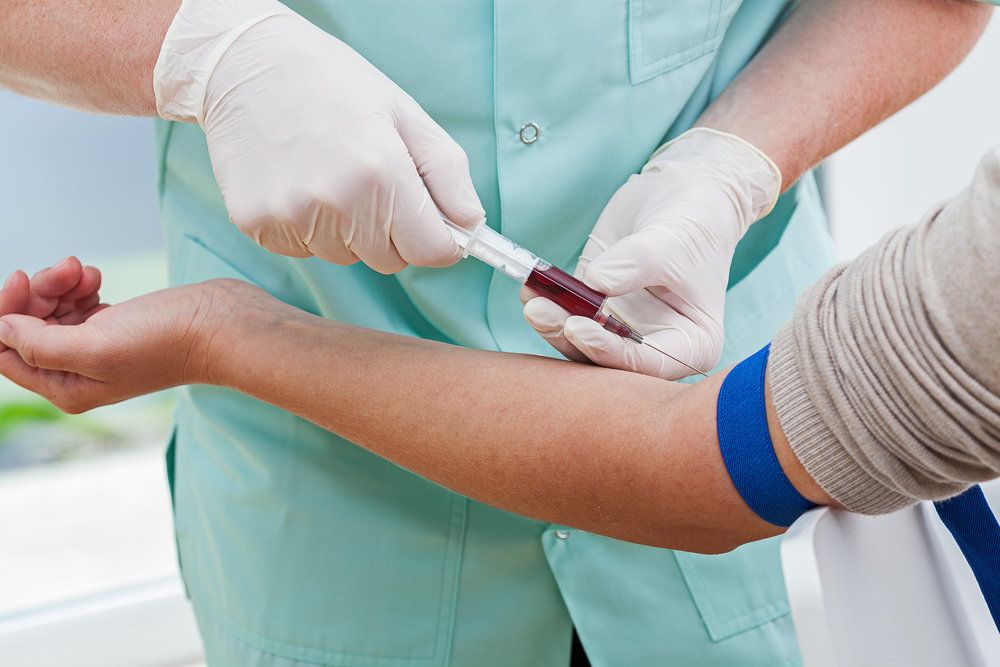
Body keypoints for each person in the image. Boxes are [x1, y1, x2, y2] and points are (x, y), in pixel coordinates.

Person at [1, 1, 995, 665]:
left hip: (739, 452)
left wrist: (736, 163)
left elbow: (693, 469)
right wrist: (204, 50)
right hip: (334, 528)